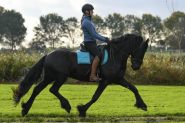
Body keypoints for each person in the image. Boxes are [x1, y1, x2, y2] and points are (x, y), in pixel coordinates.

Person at [81, 3, 110, 82]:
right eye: (91, 11)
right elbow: (94, 35)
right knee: (99, 55)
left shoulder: (88, 21)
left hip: (92, 43)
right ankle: (92, 75)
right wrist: (105, 39)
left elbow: (96, 34)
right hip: (89, 43)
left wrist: (105, 38)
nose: (93, 12)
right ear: (87, 12)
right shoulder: (86, 22)